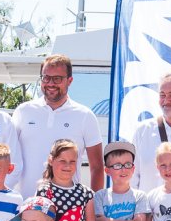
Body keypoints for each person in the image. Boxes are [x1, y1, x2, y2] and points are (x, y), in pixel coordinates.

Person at [13, 54, 104, 196]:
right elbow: (10, 157)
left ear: (70, 81)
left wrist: (96, 207)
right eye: (46, 78)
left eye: (57, 79)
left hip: (68, 209)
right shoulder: (23, 111)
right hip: (25, 205)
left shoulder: (85, 116)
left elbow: (97, 167)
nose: (50, 83)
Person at [38, 139, 96, 221]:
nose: (67, 166)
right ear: (51, 160)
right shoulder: (44, 192)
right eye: (62, 161)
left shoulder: (86, 193)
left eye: (72, 161)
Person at [94, 141, 150, 221]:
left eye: (128, 164)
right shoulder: (100, 196)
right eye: (117, 165)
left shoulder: (140, 196)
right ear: (107, 170)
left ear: (133, 168)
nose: (124, 169)